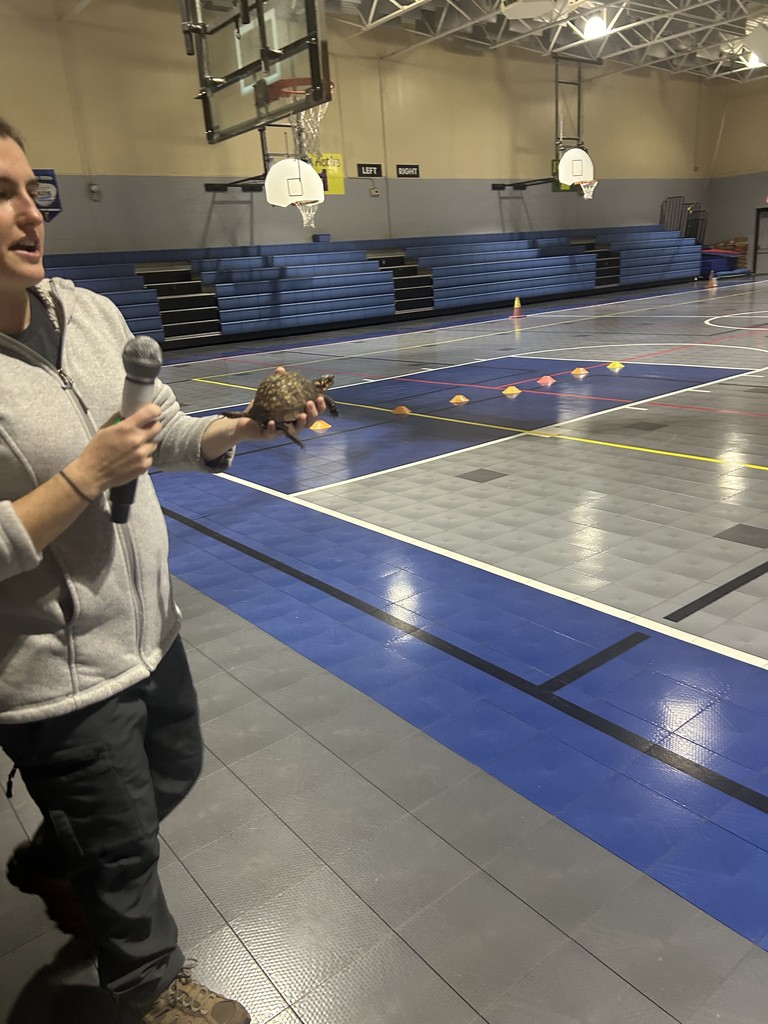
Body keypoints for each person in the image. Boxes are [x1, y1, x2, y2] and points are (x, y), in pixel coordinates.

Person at [0, 118, 324, 1024]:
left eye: (33, 190)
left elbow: (163, 429)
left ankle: (54, 858)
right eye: (1, 195)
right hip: (48, 667)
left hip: (148, 626)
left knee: (170, 772)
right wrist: (85, 476)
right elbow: (95, 470)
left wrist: (238, 431)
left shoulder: (92, 315)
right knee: (125, 842)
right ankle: (150, 990)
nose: (30, 213)